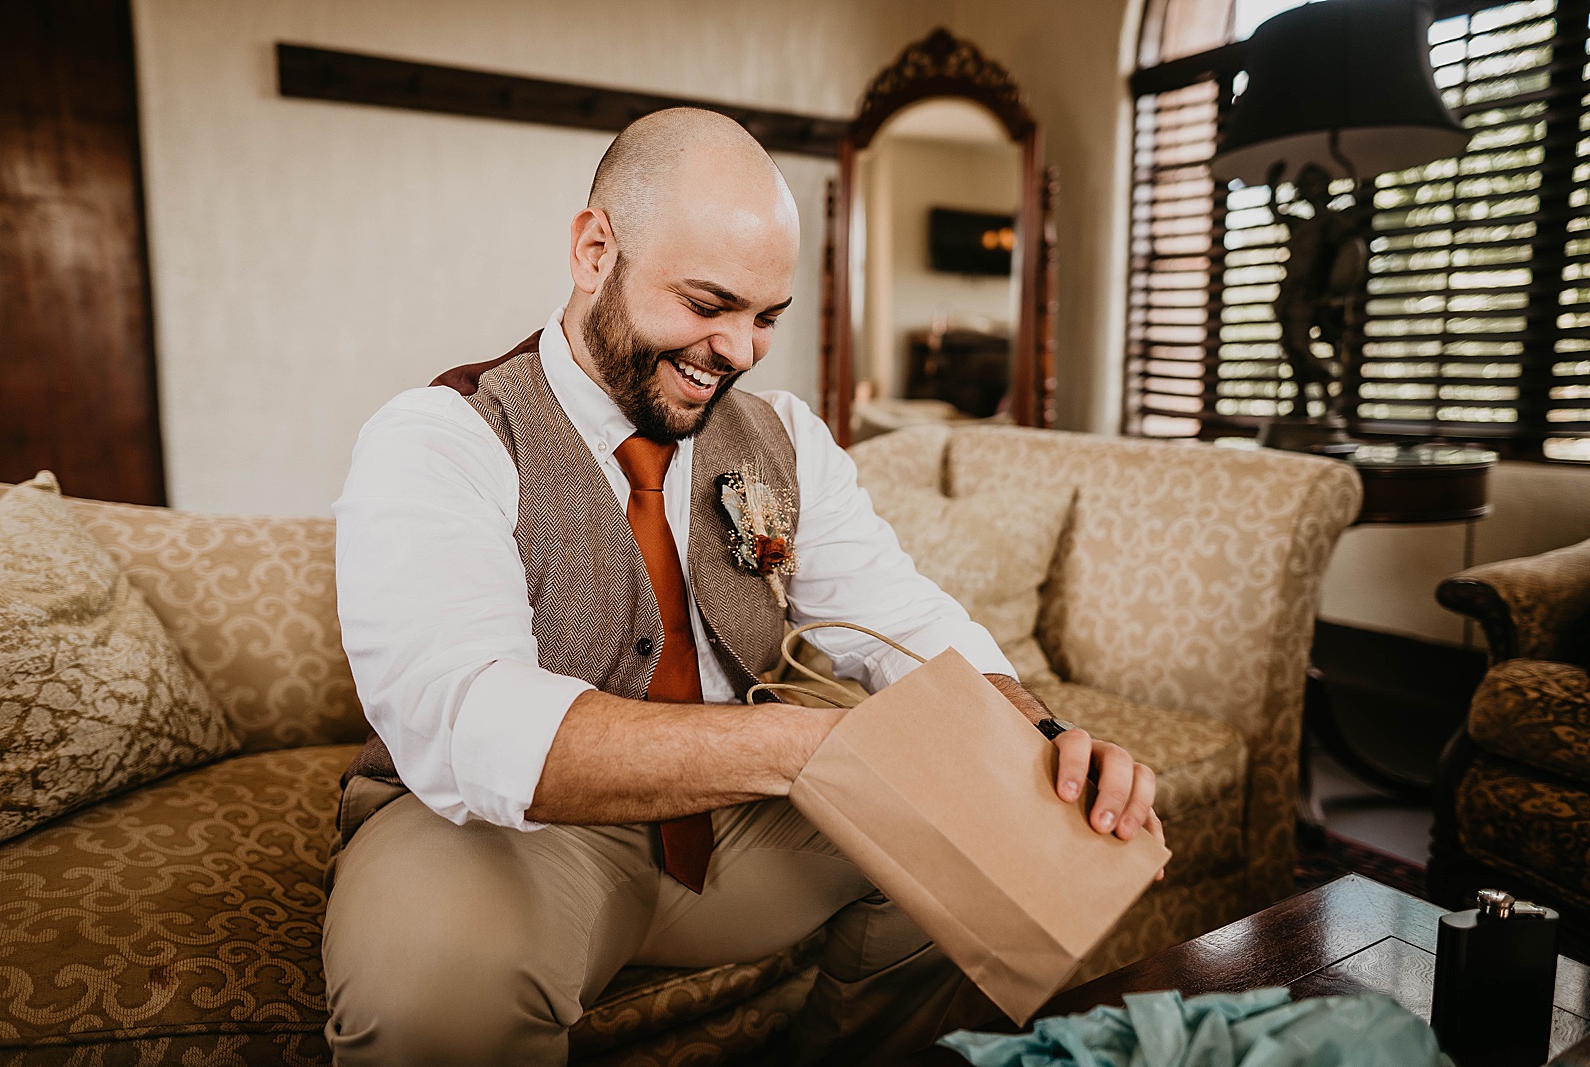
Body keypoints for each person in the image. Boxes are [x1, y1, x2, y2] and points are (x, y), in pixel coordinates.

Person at [323, 107, 1164, 1066]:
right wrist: (807, 746)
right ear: (596, 248)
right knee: (431, 994)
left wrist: (1043, 737)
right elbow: (467, 715)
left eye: (766, 317)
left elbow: (904, 620)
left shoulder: (788, 439)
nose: (739, 350)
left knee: (1016, 833)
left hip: (741, 832)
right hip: (510, 834)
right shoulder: (442, 437)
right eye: (707, 303)